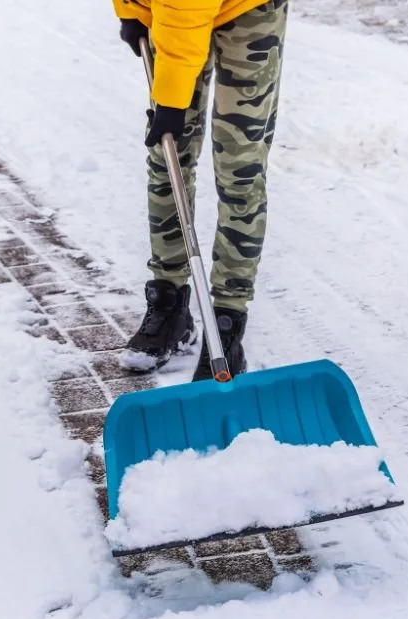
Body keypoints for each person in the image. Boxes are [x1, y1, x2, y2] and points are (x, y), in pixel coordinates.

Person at [112, 0, 288, 380]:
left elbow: (186, 9)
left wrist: (172, 100)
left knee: (239, 168)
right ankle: (170, 304)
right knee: (167, 157)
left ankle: (227, 321)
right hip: (171, 11)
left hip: (248, 12)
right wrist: (128, 8)